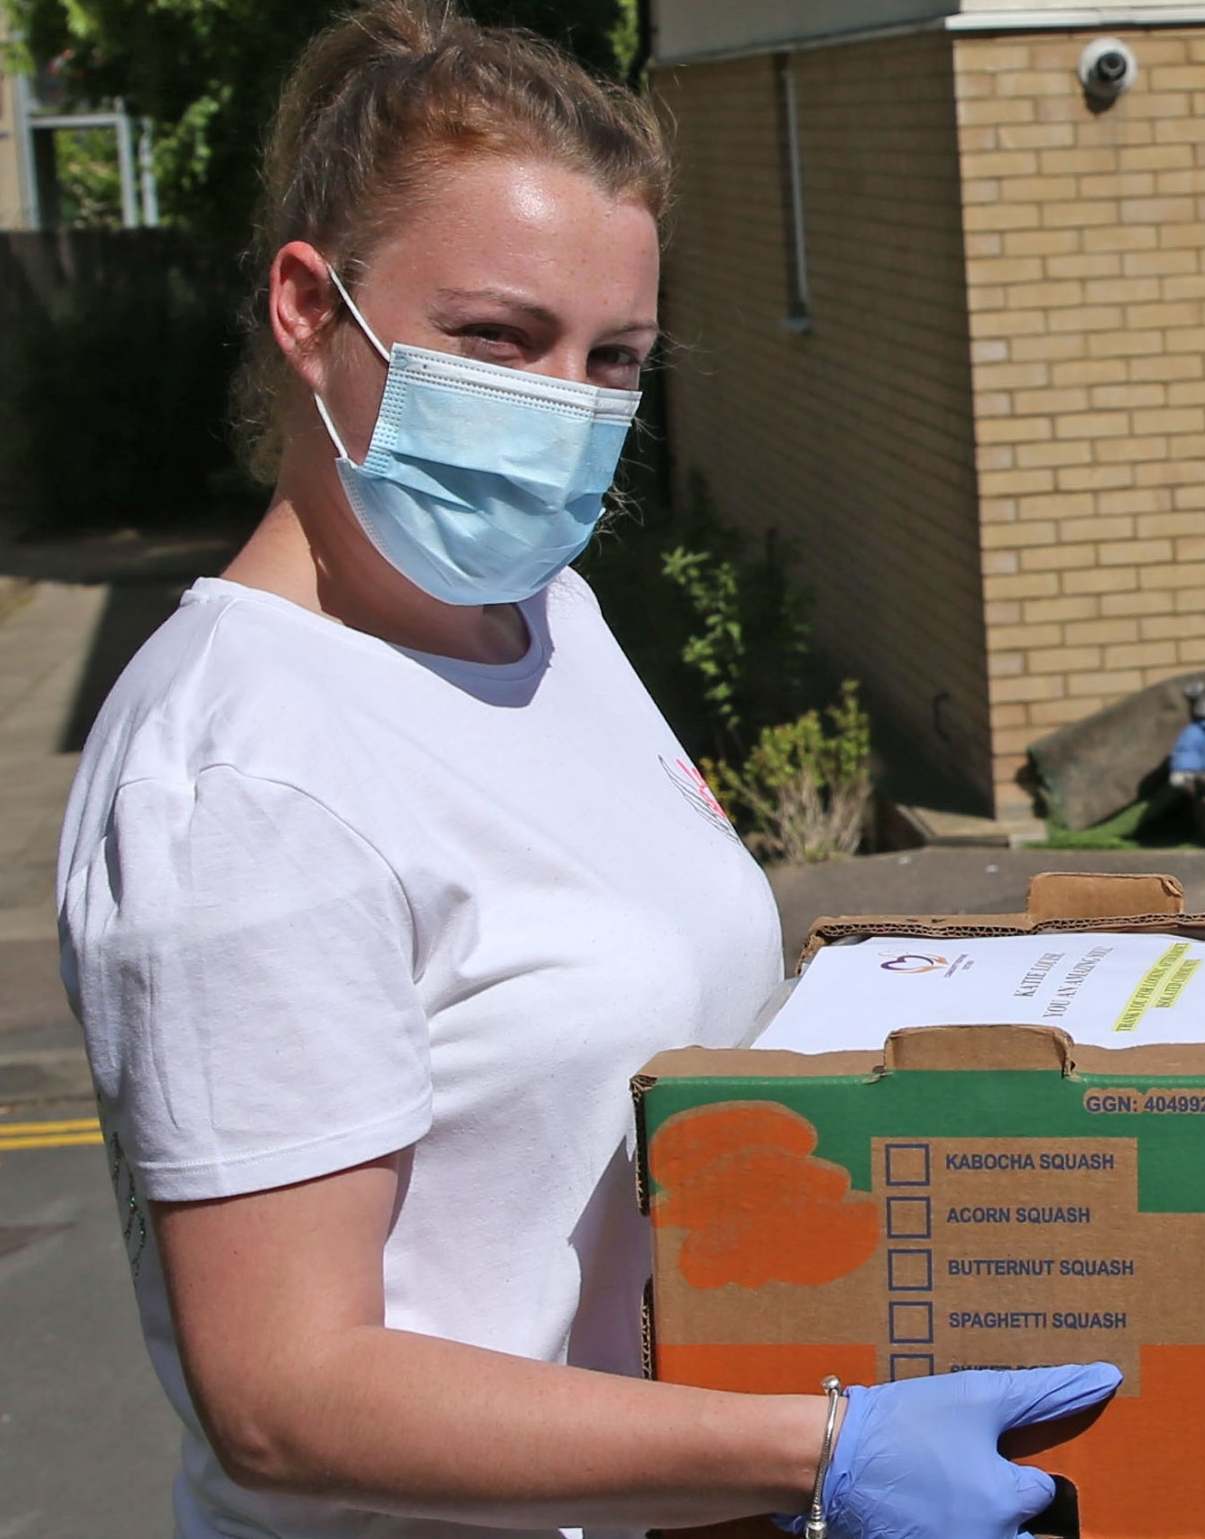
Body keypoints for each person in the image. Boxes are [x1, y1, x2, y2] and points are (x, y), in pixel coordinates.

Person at [55, 6, 1115, 1538]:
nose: (563, 405)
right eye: (497, 337)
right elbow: (286, 1393)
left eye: (613, 356)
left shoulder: (546, 617)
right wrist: (821, 1446)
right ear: (308, 308)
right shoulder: (244, 777)